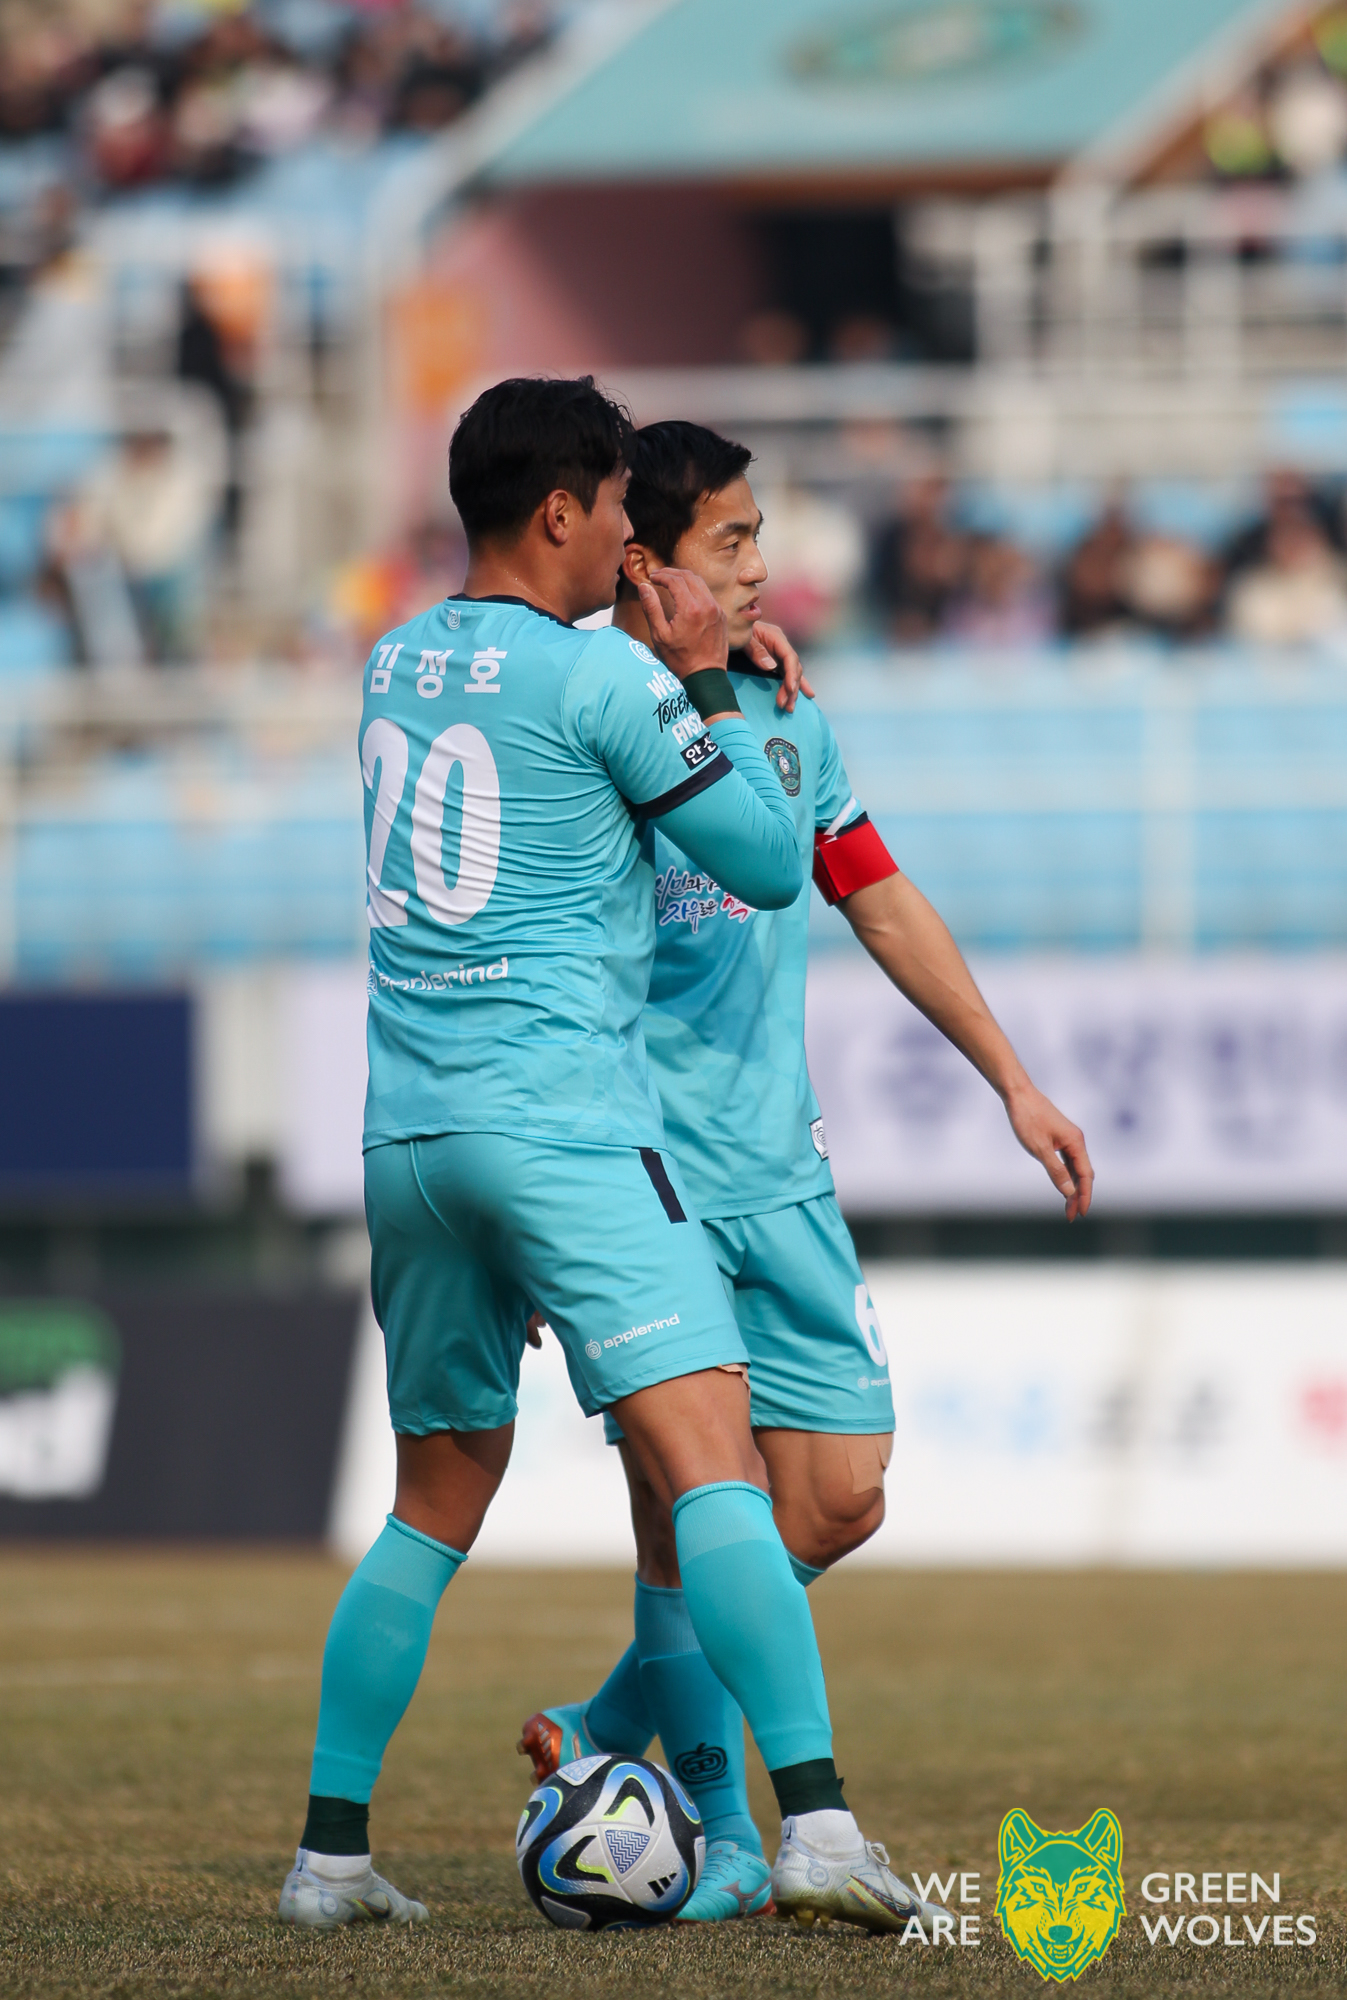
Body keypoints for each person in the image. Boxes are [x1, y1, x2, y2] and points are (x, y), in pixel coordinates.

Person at [279, 378, 945, 1937]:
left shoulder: (392, 660)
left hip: (409, 1137)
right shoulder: (598, 676)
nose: (632, 545)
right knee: (718, 1470)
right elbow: (767, 864)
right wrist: (707, 678)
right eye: (619, 517)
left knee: (429, 1508)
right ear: (561, 512)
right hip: (567, 1125)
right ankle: (818, 1830)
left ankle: (329, 1860)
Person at [517, 421, 1094, 1923]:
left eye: (760, 535)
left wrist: (1014, 1080)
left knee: (839, 1498)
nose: (763, 566)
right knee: (681, 1509)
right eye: (731, 540)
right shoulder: (581, 714)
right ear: (642, 560)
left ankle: (605, 1721)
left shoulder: (785, 718)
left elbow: (877, 899)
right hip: (643, 1179)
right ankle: (730, 1844)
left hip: (781, 1167)